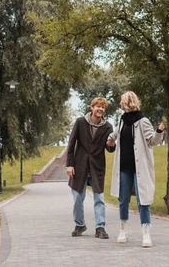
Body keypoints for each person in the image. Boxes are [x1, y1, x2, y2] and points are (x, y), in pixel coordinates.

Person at [106, 91, 165, 247]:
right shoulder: (122, 120)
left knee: (142, 201)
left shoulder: (143, 121)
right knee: (123, 199)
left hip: (139, 168)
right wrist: (110, 139)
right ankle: (123, 230)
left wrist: (159, 131)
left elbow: (153, 141)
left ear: (127, 102)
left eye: (122, 101)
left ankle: (146, 233)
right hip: (124, 167)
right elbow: (115, 134)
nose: (120, 103)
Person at [66, 97, 115, 239]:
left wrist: (111, 145)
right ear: (92, 107)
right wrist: (69, 164)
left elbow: (109, 148)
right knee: (77, 199)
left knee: (99, 198)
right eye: (98, 106)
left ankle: (100, 227)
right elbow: (71, 143)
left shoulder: (108, 127)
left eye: (103, 107)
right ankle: (79, 224)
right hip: (79, 166)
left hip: (97, 167)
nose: (100, 109)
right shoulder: (80, 122)